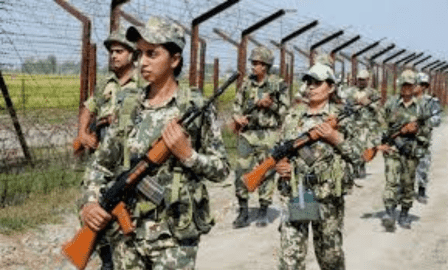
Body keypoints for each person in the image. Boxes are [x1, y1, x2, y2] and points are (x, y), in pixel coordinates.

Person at [78, 16, 229, 270]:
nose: (142, 62)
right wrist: (91, 202)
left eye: (152, 54)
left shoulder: (195, 107)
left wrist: (189, 155)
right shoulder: (128, 105)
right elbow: (100, 165)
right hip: (127, 236)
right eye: (139, 54)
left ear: (175, 59)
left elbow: (222, 168)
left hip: (174, 238)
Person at [275, 62, 362, 270]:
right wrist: (281, 164)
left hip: (328, 197)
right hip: (299, 194)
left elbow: (361, 156)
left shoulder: (342, 118)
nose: (311, 87)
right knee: (291, 259)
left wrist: (336, 138)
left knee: (330, 259)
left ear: (331, 87)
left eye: (317, 82)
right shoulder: (293, 117)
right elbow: (279, 149)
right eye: (308, 82)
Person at [232, 46, 290, 228]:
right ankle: (243, 210)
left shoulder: (278, 84)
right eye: (253, 63)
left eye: (257, 63)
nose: (253, 66)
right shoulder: (247, 83)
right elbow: (237, 104)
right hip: (248, 133)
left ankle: (263, 209)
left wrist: (270, 105)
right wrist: (237, 117)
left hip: (268, 134)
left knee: (266, 171)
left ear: (265, 66)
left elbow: (284, 111)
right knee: (241, 169)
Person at [75, 26, 140, 154]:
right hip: (103, 150)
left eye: (119, 52)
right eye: (112, 52)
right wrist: (82, 133)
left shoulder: (142, 83)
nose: (114, 56)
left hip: (131, 150)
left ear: (132, 54)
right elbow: (89, 108)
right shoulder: (105, 83)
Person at [377, 70, 426, 230]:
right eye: (404, 84)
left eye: (409, 85)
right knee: (391, 181)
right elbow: (381, 122)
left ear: (414, 87)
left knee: (407, 183)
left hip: (410, 150)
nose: (406, 88)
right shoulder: (391, 103)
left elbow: (428, 129)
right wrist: (388, 138)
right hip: (392, 148)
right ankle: (389, 213)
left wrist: (415, 131)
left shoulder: (420, 107)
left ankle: (404, 213)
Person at [343, 69, 382, 178]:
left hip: (366, 125)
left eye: (363, 80)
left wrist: (368, 103)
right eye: (359, 80)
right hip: (352, 124)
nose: (361, 82)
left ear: (368, 80)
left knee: (363, 147)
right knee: (352, 147)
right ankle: (354, 168)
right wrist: (355, 104)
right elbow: (345, 106)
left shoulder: (373, 93)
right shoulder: (351, 91)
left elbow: (378, 107)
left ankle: (361, 166)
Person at [413, 72, 441, 203]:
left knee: (423, 165)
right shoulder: (407, 100)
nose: (421, 87)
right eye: (419, 84)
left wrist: (425, 121)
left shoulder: (431, 101)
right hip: (407, 139)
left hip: (423, 139)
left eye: (424, 85)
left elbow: (437, 119)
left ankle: (421, 190)